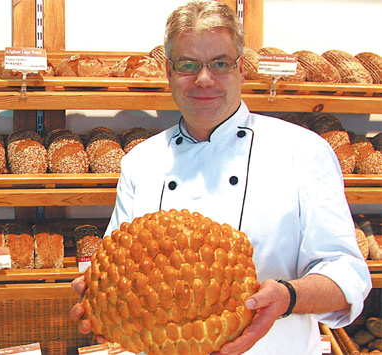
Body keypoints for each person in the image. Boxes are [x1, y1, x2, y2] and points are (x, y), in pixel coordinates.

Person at [70, 1, 372, 354]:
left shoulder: (304, 152)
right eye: (188, 64)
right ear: (169, 71)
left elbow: (346, 272)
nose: (203, 79)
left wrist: (287, 297)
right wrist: (99, 294)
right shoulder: (142, 161)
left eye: (220, 63)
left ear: (241, 69)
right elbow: (118, 264)